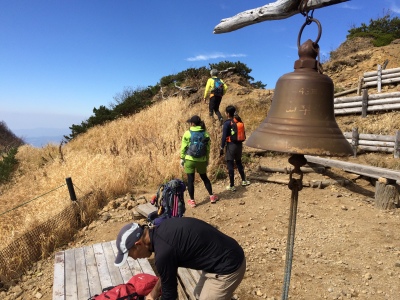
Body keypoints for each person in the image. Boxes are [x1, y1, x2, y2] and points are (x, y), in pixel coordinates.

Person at [114, 217, 246, 300]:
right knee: (198, 294)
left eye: (131, 255)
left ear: (138, 245)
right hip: (221, 254)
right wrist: (153, 294)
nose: (135, 259)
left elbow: (170, 295)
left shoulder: (163, 253)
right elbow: (166, 274)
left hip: (228, 265)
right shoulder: (160, 229)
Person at [180, 115, 218, 206]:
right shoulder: (205, 133)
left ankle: (192, 201)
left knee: (190, 180)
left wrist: (182, 158)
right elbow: (208, 149)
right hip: (201, 160)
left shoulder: (187, 133)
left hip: (189, 159)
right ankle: (212, 196)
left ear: (192, 123)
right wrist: (207, 159)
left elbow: (184, 147)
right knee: (204, 178)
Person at [220, 105, 250, 191]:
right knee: (239, 162)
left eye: (226, 112)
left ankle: (232, 185)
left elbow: (224, 137)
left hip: (231, 146)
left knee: (230, 164)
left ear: (228, 113)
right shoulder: (238, 121)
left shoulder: (227, 123)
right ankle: (244, 180)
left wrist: (221, 147)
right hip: (239, 145)